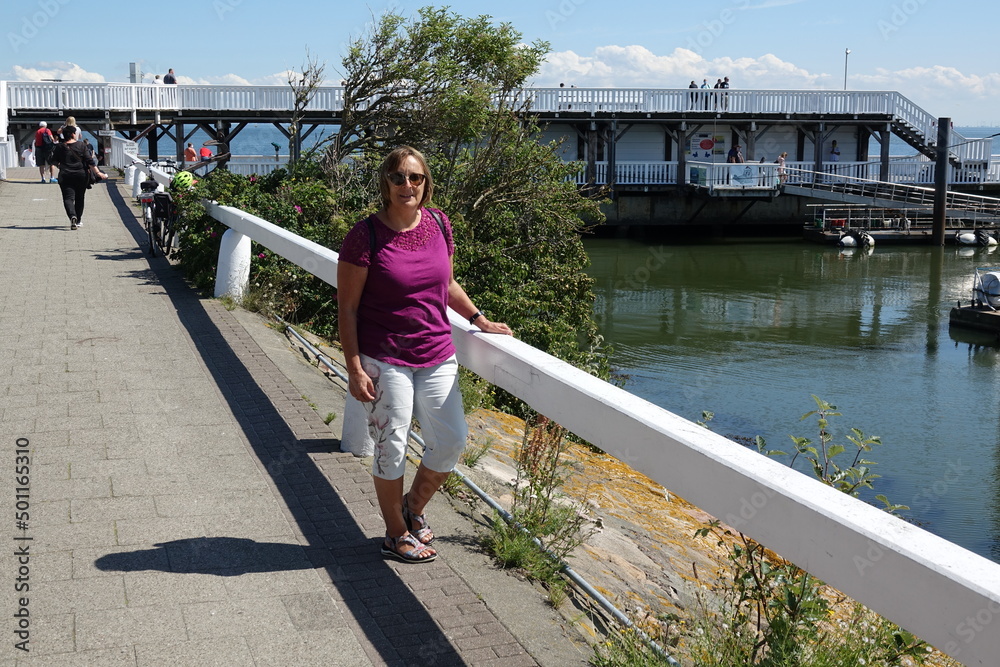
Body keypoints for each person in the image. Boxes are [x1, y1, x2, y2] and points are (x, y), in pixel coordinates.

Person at [337, 145, 513, 564]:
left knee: (451, 441)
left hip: (436, 352)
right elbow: (347, 307)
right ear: (385, 183)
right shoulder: (366, 235)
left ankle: (412, 508)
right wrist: (355, 367)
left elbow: (446, 284)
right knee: (391, 446)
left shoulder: (438, 223)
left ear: (426, 183)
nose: (407, 185)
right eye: (398, 177)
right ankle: (395, 533)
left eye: (415, 178)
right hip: (385, 357)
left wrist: (479, 319)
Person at [52, 125, 108, 230]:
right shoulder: (81, 145)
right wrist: (98, 172)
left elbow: (54, 161)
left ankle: (72, 216)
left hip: (65, 175)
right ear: (73, 134)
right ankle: (78, 220)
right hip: (81, 175)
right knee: (80, 197)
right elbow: (89, 161)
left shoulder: (59, 147)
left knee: (68, 198)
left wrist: (62, 166)